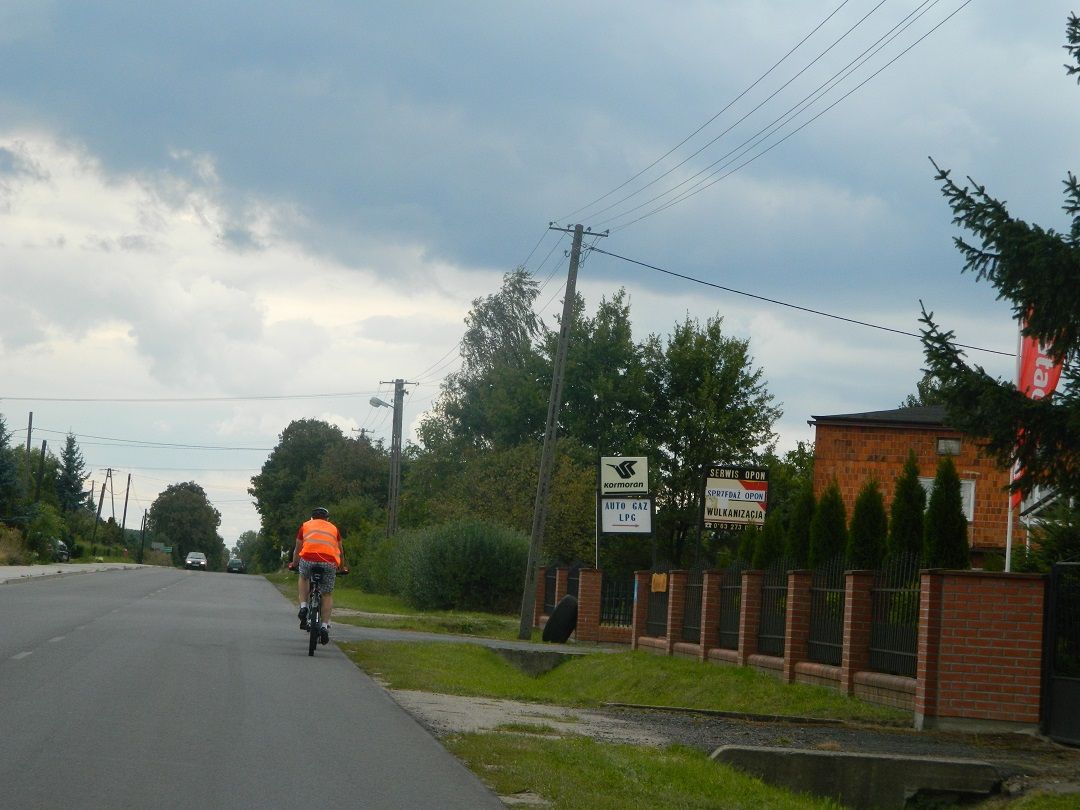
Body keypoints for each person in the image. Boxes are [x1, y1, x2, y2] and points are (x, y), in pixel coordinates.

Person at [288, 507, 348, 645]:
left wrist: (294, 563)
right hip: (328, 562)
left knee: (303, 577)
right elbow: (340, 551)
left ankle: (304, 606)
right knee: (327, 594)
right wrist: (341, 567)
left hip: (308, 560)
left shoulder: (305, 526)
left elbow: (298, 548)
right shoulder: (334, 528)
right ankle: (324, 626)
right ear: (327, 518)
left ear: (312, 518)